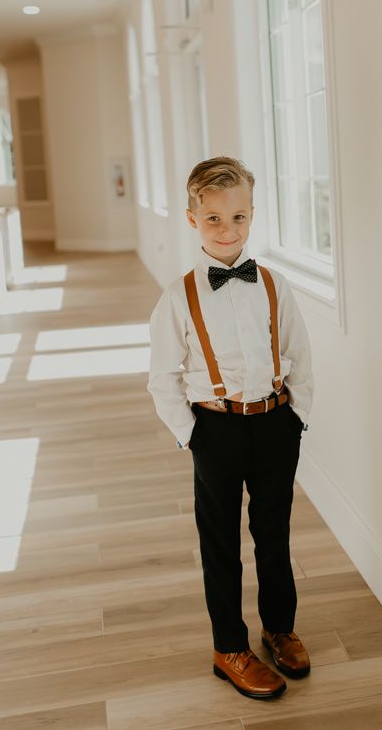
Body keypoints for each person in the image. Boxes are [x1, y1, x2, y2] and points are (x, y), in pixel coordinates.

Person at [147, 155, 314, 701]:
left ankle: (279, 628)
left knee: (275, 534)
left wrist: (297, 416)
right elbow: (161, 377)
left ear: (252, 216)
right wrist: (192, 434)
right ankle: (229, 646)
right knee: (219, 542)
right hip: (214, 430)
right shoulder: (178, 297)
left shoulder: (272, 283)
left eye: (238, 217)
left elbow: (299, 353)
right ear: (193, 219)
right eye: (214, 218)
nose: (228, 229)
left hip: (273, 424)